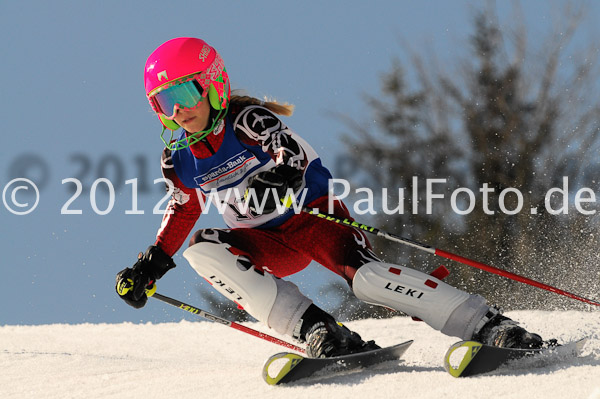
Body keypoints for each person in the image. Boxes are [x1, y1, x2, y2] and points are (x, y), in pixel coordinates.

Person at [116, 37, 547, 358]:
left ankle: (488, 325)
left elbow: (292, 153)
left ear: (212, 85)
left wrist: (281, 178)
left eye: (184, 94)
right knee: (203, 251)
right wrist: (151, 263)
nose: (177, 111)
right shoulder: (178, 159)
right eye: (163, 102)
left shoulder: (246, 120)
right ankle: (319, 331)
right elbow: (184, 207)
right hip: (265, 243)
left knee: (369, 281)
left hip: (314, 220)